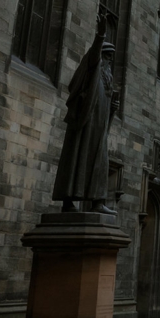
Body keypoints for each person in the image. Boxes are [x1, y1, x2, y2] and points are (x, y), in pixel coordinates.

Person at [52, 24, 118, 213]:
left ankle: (98, 202)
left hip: (100, 127)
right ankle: (68, 201)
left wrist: (113, 110)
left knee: (101, 161)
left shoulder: (107, 78)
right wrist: (100, 35)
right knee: (77, 159)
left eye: (111, 58)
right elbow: (94, 56)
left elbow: (105, 108)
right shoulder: (92, 70)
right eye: (107, 56)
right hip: (86, 124)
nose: (109, 61)